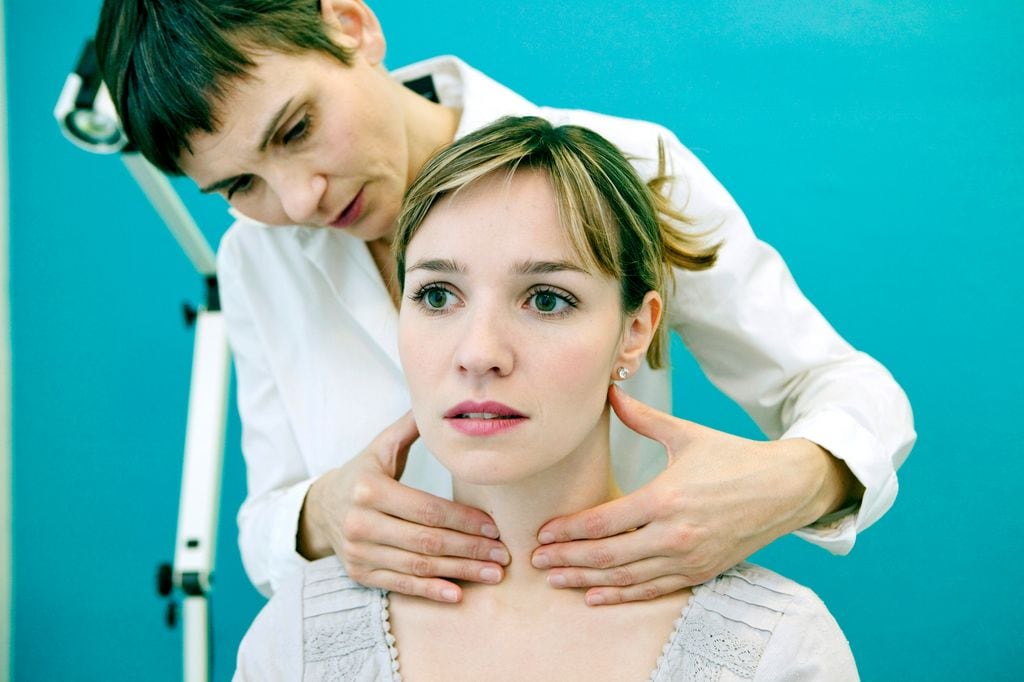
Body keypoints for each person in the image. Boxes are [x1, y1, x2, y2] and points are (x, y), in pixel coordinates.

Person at [94, 0, 915, 603]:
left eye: (297, 128)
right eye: (240, 184)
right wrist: (323, 514)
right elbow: (265, 523)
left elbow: (844, 387)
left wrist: (792, 482)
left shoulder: (626, 167)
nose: (299, 200)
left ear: (350, 25)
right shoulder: (257, 256)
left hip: (608, 628)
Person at [234, 115, 859, 681]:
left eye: (546, 299)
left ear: (634, 331)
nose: (478, 353)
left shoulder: (780, 648)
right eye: (435, 296)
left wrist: (808, 476)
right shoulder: (295, 641)